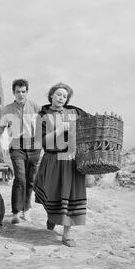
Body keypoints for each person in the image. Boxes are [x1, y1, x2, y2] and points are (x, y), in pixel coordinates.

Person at [34, 82, 89, 247]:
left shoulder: (74, 112)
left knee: (71, 197)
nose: (61, 98)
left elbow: (90, 125)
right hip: (52, 160)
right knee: (52, 195)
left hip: (72, 161)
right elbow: (40, 141)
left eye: (65, 96)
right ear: (51, 95)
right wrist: (60, 129)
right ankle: (51, 216)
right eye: (58, 94)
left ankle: (67, 235)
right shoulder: (42, 116)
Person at [0, 79, 41, 224]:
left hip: (34, 147)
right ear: (14, 93)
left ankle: (26, 210)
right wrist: (0, 148)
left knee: (30, 180)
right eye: (18, 91)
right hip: (17, 147)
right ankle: (16, 212)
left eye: (23, 91)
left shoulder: (35, 106)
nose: (21, 94)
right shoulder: (7, 109)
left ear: (27, 92)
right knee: (20, 178)